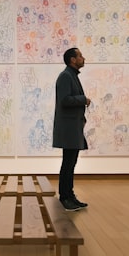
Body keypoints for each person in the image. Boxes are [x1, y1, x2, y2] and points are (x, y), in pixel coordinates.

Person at [53, 47, 91, 211]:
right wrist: (83, 99)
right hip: (68, 128)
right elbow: (64, 100)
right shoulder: (65, 76)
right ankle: (64, 197)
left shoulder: (71, 75)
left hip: (73, 126)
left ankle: (70, 195)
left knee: (71, 162)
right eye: (80, 56)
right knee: (68, 163)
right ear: (72, 60)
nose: (83, 58)